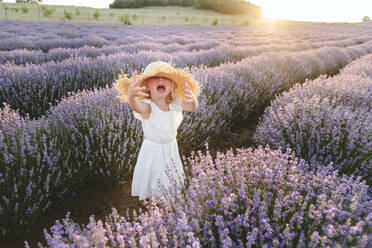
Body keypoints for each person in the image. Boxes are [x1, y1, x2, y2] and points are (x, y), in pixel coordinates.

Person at [114, 61, 201, 213]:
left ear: (172, 85)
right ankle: (154, 209)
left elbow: (192, 107)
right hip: (153, 152)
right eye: (155, 78)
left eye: (165, 78)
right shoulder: (148, 106)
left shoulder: (174, 104)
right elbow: (137, 106)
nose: (160, 80)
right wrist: (132, 96)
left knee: (169, 180)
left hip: (170, 149)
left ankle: (166, 205)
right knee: (155, 179)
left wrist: (193, 99)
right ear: (146, 86)